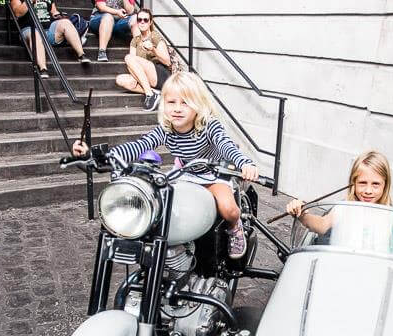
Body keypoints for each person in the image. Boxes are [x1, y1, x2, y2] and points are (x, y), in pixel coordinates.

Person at [73, 72, 259, 259]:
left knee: (228, 209)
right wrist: (101, 156)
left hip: (213, 173)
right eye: (171, 102)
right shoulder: (166, 129)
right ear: (164, 104)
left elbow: (225, 145)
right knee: (162, 208)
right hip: (184, 173)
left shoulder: (209, 126)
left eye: (185, 102)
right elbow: (139, 145)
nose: (177, 109)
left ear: (198, 104)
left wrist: (245, 163)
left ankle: (235, 228)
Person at [286, 151, 393, 248]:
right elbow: (321, 225)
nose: (368, 190)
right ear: (353, 183)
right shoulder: (343, 208)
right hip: (340, 272)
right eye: (362, 183)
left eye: (376, 184)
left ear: (385, 185)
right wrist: (301, 214)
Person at [10, 0, 91, 79]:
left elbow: (54, 11)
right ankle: (43, 69)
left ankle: (81, 55)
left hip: (48, 30)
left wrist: (57, 15)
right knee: (35, 34)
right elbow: (18, 13)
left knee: (66, 22)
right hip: (29, 30)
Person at [115, 7, 171, 111]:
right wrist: (135, 78)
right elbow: (131, 63)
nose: (142, 22)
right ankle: (154, 92)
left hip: (160, 74)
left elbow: (167, 62)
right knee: (120, 79)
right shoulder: (135, 40)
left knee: (128, 58)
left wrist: (153, 49)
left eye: (145, 20)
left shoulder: (155, 36)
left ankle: (150, 95)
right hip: (146, 77)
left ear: (150, 22)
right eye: (139, 20)